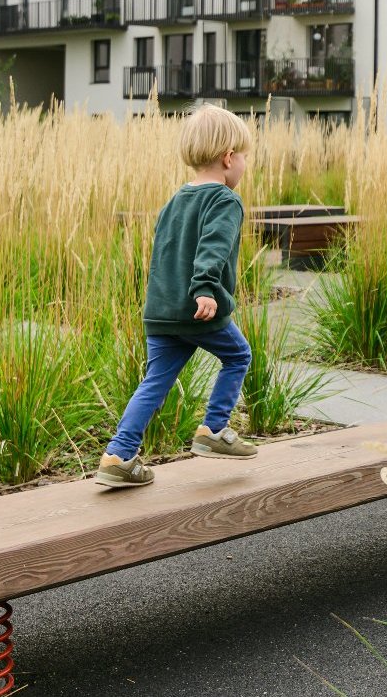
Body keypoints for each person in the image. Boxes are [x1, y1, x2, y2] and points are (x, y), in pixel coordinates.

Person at [97, 105, 258, 488]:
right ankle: (214, 430)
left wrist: (162, 302)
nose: (245, 166)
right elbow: (213, 248)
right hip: (196, 309)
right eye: (245, 158)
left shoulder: (175, 200)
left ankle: (119, 455)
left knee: (155, 382)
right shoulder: (224, 201)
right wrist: (205, 289)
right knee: (238, 355)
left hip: (162, 312)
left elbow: (164, 254)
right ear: (228, 158)